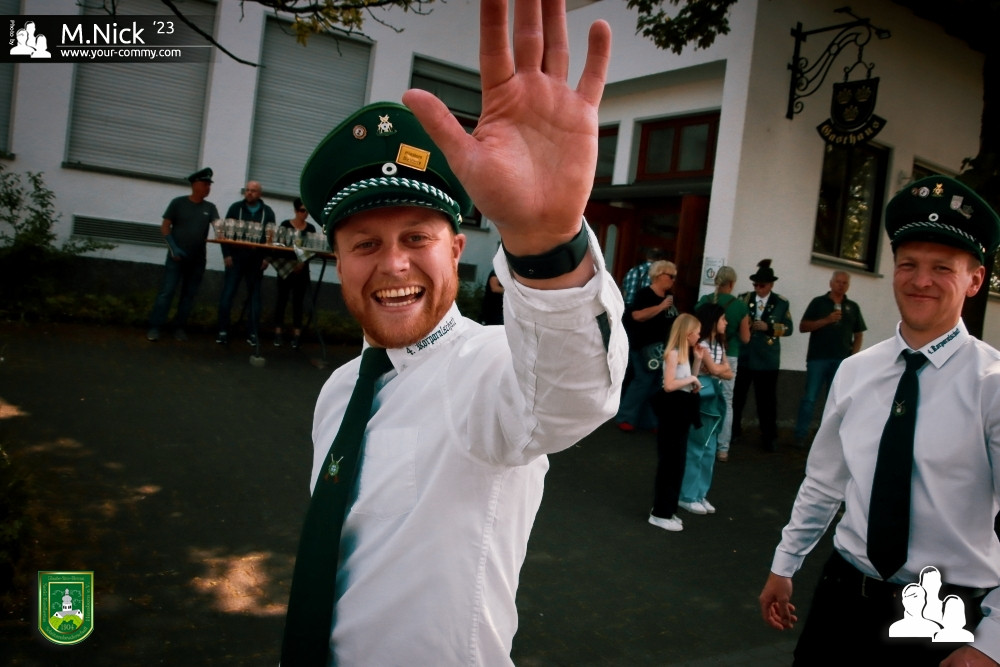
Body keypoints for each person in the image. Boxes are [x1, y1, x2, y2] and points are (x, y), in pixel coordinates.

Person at [281, 2, 624, 664]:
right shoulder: (339, 390)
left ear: (457, 248)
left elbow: (571, 395)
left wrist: (545, 242)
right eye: (365, 244)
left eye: (417, 238)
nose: (393, 264)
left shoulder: (492, 368)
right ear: (339, 260)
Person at [758, 175, 1000, 665]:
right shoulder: (856, 371)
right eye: (908, 264)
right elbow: (824, 481)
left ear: (975, 280)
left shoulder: (991, 385)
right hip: (845, 594)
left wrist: (992, 643)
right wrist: (785, 564)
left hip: (945, 612)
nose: (920, 280)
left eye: (942, 267)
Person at [793, 270, 866, 447]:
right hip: (818, 358)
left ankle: (827, 439)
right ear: (831, 283)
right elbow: (803, 326)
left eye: (845, 283)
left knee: (834, 402)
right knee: (810, 398)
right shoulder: (818, 302)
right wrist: (826, 320)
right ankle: (800, 435)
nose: (841, 285)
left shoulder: (852, 307)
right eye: (838, 282)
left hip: (841, 361)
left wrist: (853, 357)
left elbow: (858, 334)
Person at [146, 167, 218, 342]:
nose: (208, 188)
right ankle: (155, 327)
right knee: (167, 292)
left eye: (209, 185)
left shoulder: (210, 208)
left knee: (188, 295)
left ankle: (179, 327)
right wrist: (173, 247)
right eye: (205, 184)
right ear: (194, 184)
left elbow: (219, 228)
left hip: (197, 259)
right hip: (176, 258)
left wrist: (225, 233)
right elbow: (165, 227)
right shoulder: (178, 203)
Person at [647, 314, 702, 532]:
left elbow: (687, 382)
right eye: (697, 332)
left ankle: (668, 509)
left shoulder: (684, 355)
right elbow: (669, 385)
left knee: (677, 462)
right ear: (687, 333)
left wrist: (697, 362)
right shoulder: (673, 354)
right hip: (672, 411)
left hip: (681, 410)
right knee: (670, 463)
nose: (699, 336)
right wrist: (692, 379)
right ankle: (660, 513)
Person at [732, 259, 793, 452]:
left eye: (762, 285)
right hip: (745, 356)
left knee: (766, 401)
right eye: (755, 285)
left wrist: (769, 327)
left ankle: (769, 437)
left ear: (771, 285)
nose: (758, 289)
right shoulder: (744, 298)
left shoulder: (781, 303)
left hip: (767, 359)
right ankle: (733, 431)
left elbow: (789, 329)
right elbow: (734, 321)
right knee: (737, 397)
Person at [678, 303, 732, 516]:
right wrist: (718, 369)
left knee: (709, 447)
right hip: (702, 396)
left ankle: (700, 493)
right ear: (713, 320)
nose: (726, 323)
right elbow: (718, 369)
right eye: (723, 319)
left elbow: (726, 372)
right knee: (697, 446)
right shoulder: (702, 344)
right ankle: (687, 495)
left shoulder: (719, 344)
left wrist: (718, 369)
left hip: (713, 396)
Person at [615, 260, 679, 431]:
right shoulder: (645, 294)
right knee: (642, 381)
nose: (673, 280)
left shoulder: (670, 297)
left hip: (661, 348)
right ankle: (626, 417)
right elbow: (637, 315)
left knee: (656, 384)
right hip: (643, 346)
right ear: (659, 275)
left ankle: (648, 421)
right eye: (670, 276)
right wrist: (660, 307)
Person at [694, 265, 750, 462]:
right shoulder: (740, 306)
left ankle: (700, 439)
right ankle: (723, 447)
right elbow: (746, 338)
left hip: (703, 351)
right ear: (732, 283)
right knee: (726, 400)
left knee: (701, 395)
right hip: (729, 353)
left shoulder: (704, 301)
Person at [216, 180, 275, 346]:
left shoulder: (268, 212)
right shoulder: (235, 208)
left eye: (253, 190)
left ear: (259, 193)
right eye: (247, 190)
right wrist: (226, 254)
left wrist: (267, 258)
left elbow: (272, 237)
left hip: (256, 261)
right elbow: (224, 232)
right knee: (228, 294)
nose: (249, 193)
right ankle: (222, 331)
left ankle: (252, 333)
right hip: (236, 259)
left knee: (255, 297)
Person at [271, 198, 317, 349]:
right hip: (285, 268)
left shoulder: (310, 229)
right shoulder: (286, 225)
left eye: (307, 211)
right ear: (296, 211)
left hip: (302, 270)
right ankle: (278, 332)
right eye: (302, 210)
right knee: (281, 300)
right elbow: (278, 244)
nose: (305, 214)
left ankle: (296, 335)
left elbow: (312, 248)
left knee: (298, 302)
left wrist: (302, 262)